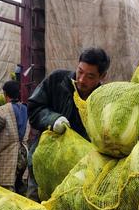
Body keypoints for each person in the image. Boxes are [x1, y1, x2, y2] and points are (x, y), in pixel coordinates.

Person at [25, 47, 110, 201]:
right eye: (80, 71)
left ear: (102, 76)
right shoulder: (57, 81)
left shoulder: (104, 101)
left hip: (78, 176)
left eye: (90, 76)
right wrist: (52, 119)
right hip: (43, 164)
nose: (82, 80)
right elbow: (33, 108)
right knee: (35, 208)